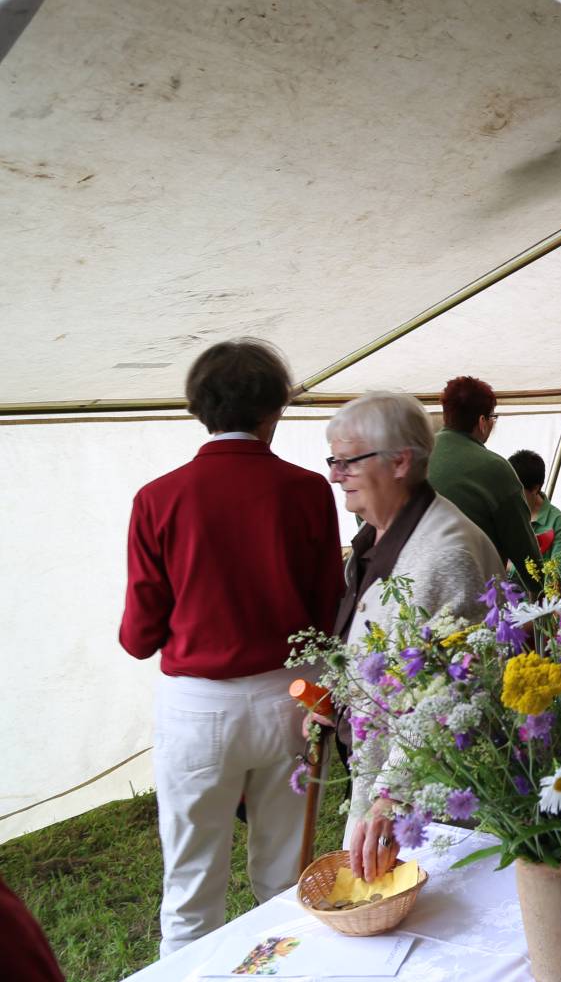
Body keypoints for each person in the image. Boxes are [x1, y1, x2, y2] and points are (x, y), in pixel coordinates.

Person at [120, 340, 344, 955]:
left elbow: (139, 635)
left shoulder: (158, 498)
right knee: (282, 879)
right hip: (294, 696)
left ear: (200, 409)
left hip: (196, 708)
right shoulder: (306, 491)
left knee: (191, 884)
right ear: (275, 410)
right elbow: (330, 607)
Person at [328, 391, 504, 882]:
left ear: (401, 462)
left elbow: (453, 692)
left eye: (348, 463)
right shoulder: (375, 535)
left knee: (433, 916)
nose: (334, 476)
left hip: (432, 795)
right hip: (384, 778)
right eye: (333, 460)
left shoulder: (446, 551)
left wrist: (392, 794)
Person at [426, 376, 546, 594]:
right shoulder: (495, 468)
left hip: (414, 598)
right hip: (475, 599)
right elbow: (524, 551)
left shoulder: (416, 456)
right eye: (493, 417)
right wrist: (546, 602)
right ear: (482, 422)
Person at [508, 449, 561, 587]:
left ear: (535, 488)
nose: (511, 496)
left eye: (517, 491)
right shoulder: (507, 512)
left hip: (539, 605)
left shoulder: (557, 521)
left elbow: (560, 571)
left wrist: (510, 568)